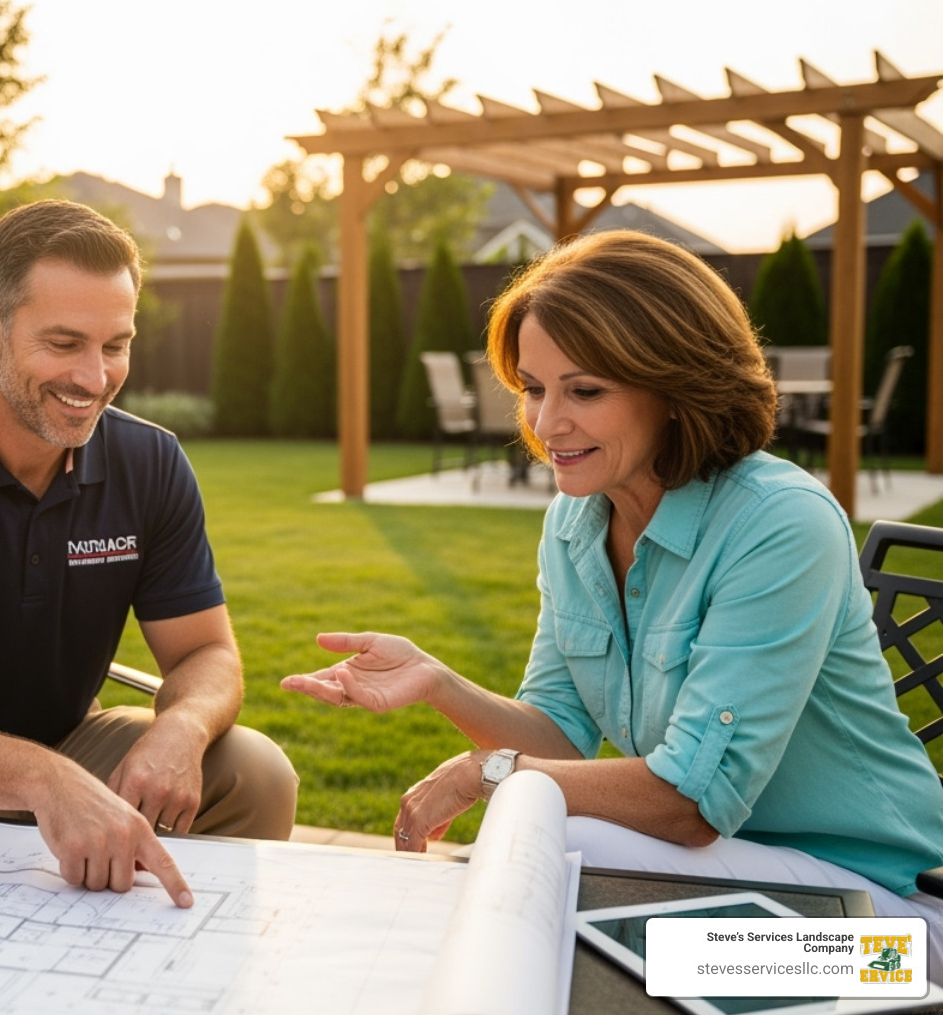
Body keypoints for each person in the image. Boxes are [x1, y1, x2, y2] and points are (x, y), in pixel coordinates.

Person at [282, 230, 943, 961]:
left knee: (556, 867)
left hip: (883, 935)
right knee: (542, 898)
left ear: (677, 388)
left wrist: (489, 773)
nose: (545, 424)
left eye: (585, 391)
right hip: (727, 891)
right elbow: (560, 737)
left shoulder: (780, 524)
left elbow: (691, 805)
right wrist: (438, 682)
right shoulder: (576, 524)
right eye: (534, 388)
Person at [0, 199, 297, 909]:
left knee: (256, 772)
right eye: (64, 344)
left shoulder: (151, 463)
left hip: (69, 747)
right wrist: (45, 781)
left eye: (115, 345)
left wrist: (182, 728)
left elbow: (206, 652)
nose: (94, 379)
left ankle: (169, 961)